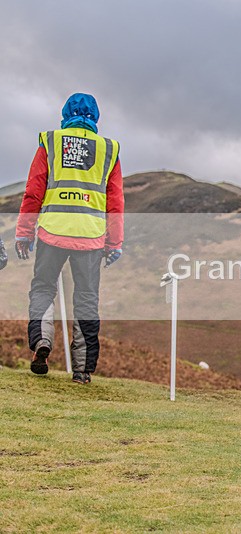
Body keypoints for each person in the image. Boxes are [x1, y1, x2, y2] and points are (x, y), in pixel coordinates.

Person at [16, 93, 124, 384]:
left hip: (52, 231)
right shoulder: (109, 149)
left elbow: (34, 191)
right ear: (96, 117)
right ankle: (82, 370)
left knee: (43, 288)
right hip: (91, 236)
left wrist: (24, 232)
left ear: (65, 114)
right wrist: (114, 242)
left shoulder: (50, 141)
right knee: (86, 299)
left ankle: (42, 340)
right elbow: (115, 201)